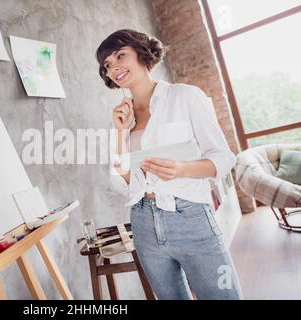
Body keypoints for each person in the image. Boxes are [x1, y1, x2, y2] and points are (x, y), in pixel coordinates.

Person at [96, 29, 243, 300]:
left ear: (141, 53)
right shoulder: (122, 117)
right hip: (142, 223)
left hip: (190, 217)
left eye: (120, 56)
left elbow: (223, 157)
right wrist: (119, 133)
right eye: (108, 65)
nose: (114, 67)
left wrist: (182, 169)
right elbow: (122, 182)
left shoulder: (185, 96)